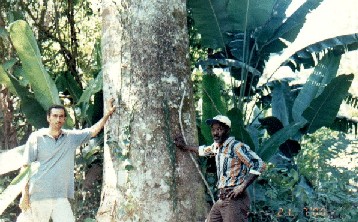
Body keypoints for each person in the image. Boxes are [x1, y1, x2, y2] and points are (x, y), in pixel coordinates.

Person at [17, 99, 116, 222]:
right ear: (48, 118)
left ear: (64, 119)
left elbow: (93, 131)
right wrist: (24, 195)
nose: (58, 119)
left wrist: (107, 113)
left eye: (61, 117)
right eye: (55, 116)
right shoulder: (36, 138)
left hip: (61, 196)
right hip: (39, 195)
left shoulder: (70, 138)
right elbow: (25, 168)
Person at [174, 115, 265, 222]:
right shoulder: (218, 147)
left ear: (227, 130)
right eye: (213, 130)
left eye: (219, 129)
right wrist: (184, 147)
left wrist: (242, 186)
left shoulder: (236, 147)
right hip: (223, 197)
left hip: (235, 198)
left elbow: (259, 164)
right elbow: (203, 150)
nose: (215, 133)